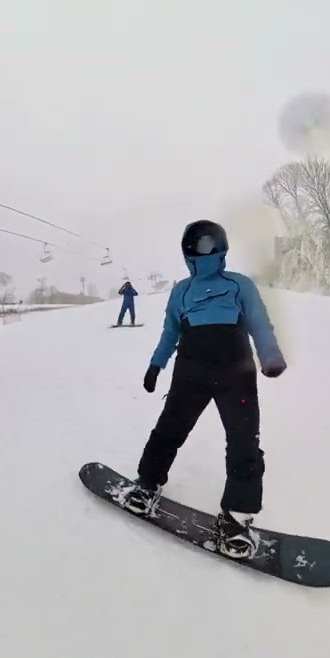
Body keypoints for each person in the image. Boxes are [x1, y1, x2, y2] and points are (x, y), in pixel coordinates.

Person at [121, 219, 286, 559]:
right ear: (188, 251)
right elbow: (170, 331)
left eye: (211, 244)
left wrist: (270, 356)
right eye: (199, 245)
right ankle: (147, 484)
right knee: (170, 428)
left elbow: (259, 321)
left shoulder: (239, 285)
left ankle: (237, 519)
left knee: (243, 440)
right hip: (191, 371)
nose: (205, 250)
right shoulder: (181, 290)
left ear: (222, 247)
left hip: (235, 371)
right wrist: (156, 365)